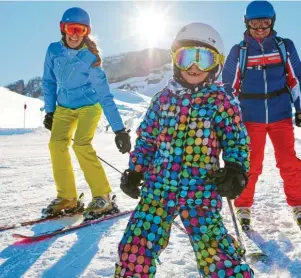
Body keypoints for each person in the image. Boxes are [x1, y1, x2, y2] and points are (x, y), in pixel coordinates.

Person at [114, 23, 254, 278]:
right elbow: (147, 140)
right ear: (175, 60)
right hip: (158, 190)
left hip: (201, 190)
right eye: (187, 56)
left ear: (216, 64)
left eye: (204, 59)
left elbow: (236, 140)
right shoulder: (162, 99)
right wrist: (135, 171)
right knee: (134, 249)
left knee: (215, 256)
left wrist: (236, 170)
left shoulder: (221, 101)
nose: (194, 66)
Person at [42, 7, 131, 218]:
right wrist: (50, 111)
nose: (73, 34)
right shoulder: (53, 51)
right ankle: (68, 197)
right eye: (69, 28)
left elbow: (105, 96)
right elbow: (48, 81)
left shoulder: (91, 59)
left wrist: (119, 130)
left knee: (81, 144)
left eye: (79, 30)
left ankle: (103, 197)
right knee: (56, 144)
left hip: (89, 107)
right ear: (62, 29)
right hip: (64, 107)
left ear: (86, 33)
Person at [222, 0, 301, 230]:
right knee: (251, 164)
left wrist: (300, 107)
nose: (260, 28)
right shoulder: (240, 51)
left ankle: (297, 203)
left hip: (280, 114)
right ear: (246, 23)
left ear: (272, 22)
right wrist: (232, 115)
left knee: (288, 162)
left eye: (265, 22)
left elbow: (296, 79)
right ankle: (243, 205)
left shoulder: (284, 46)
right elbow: (228, 85)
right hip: (251, 117)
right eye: (255, 22)